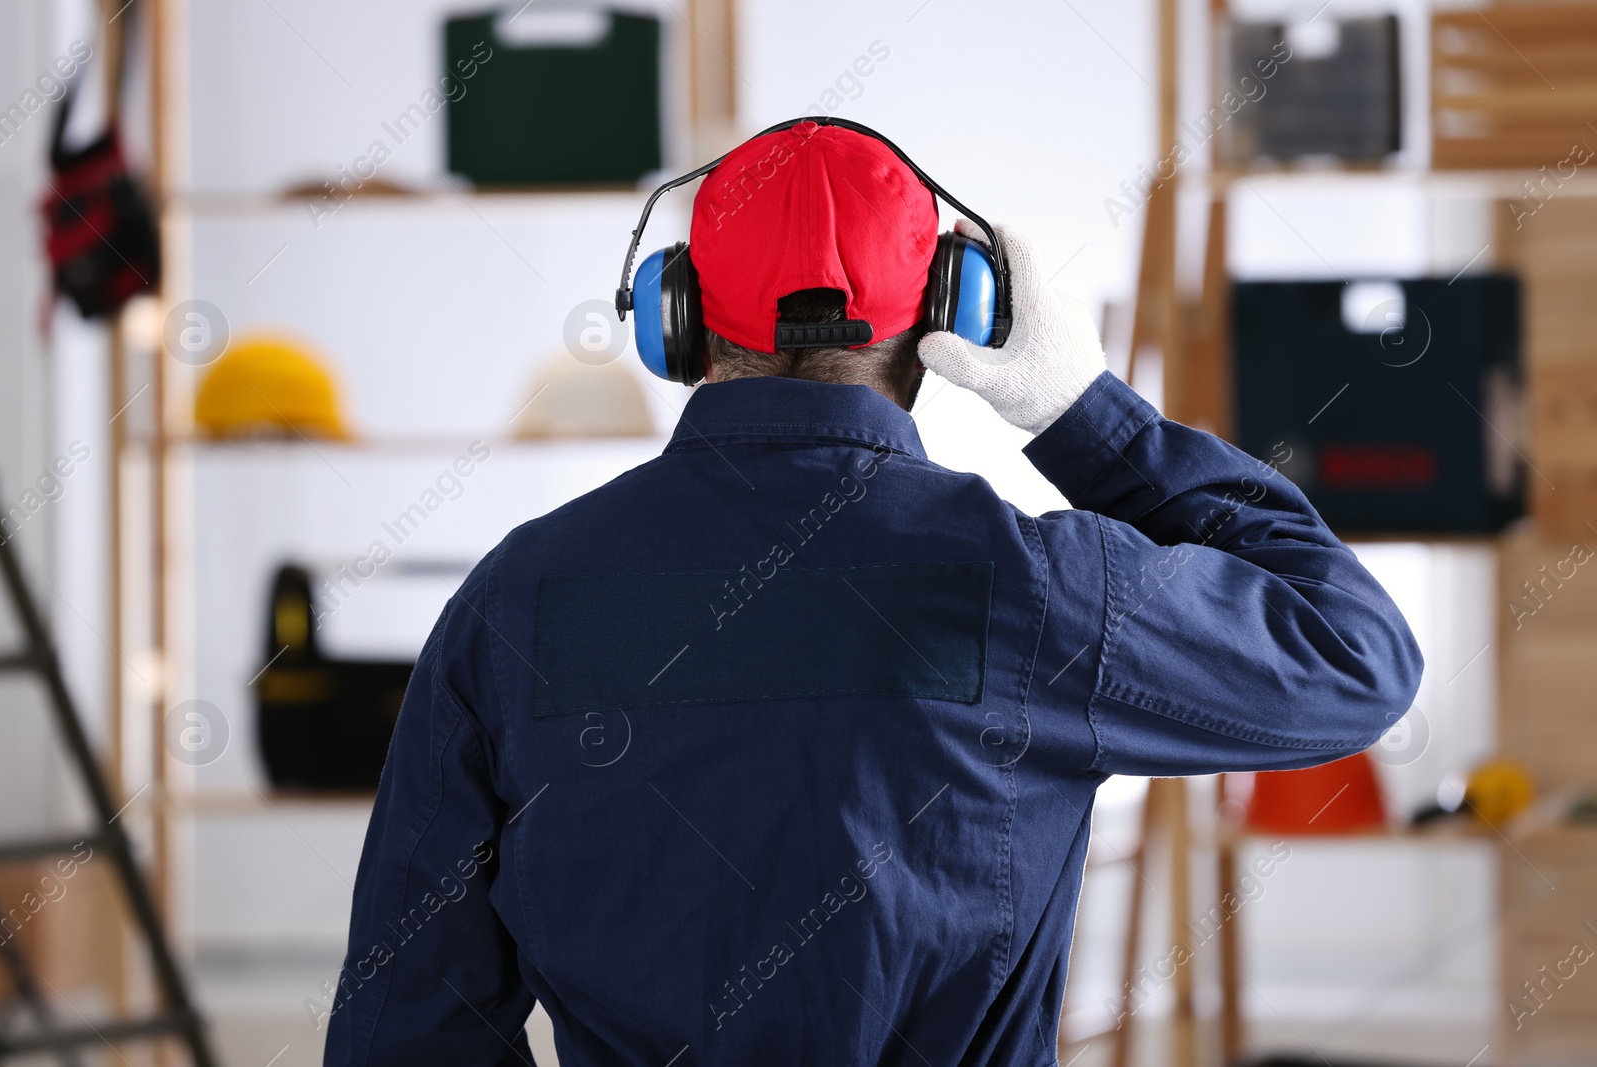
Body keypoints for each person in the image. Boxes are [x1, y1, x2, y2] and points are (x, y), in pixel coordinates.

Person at [323, 121, 1422, 1067]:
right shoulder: (1035, 585)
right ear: (959, 312)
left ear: (679, 316)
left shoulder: (516, 599)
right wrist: (1087, 414)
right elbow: (1357, 655)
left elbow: (402, 1025)